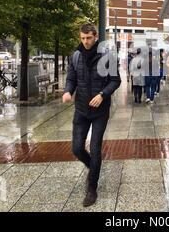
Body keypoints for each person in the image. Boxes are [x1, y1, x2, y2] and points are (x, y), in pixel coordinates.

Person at [62, 23, 121, 207]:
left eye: (89, 38)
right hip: (81, 109)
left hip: (99, 111)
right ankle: (93, 167)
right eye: (82, 38)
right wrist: (67, 91)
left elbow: (115, 80)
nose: (85, 41)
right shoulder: (76, 56)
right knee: (77, 148)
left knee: (95, 149)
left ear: (96, 36)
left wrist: (103, 95)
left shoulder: (108, 56)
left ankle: (92, 187)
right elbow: (71, 78)